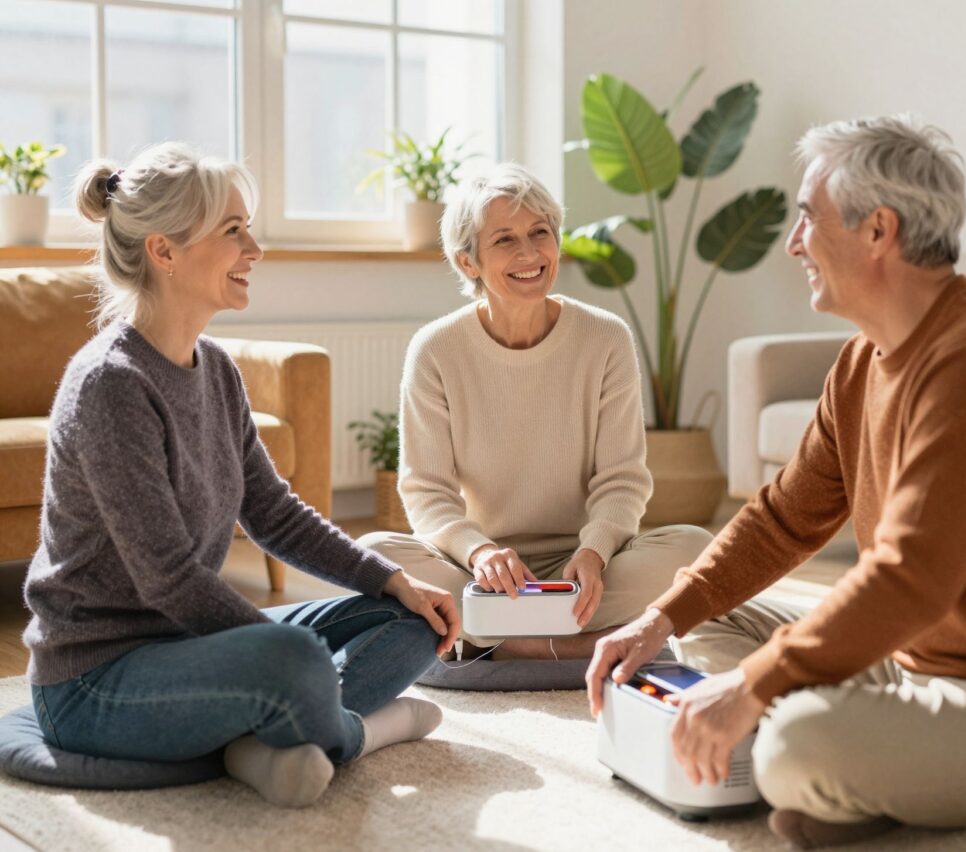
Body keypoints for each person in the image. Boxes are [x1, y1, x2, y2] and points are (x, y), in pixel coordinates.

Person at [586, 115, 966, 848]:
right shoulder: (862, 361)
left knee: (792, 749)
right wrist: (659, 618)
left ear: (878, 231)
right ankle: (859, 771)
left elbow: (913, 577)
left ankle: (824, 763)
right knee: (702, 617)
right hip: (909, 668)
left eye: (806, 219)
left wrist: (754, 689)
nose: (792, 244)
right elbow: (782, 518)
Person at [23, 143, 461, 808]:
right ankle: (362, 732)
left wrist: (392, 580)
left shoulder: (217, 371)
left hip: (191, 648)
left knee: (412, 620)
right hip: (96, 682)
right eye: (233, 232)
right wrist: (277, 645)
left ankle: (266, 733)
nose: (254, 248)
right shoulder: (111, 385)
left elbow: (274, 513)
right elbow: (167, 577)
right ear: (165, 251)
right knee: (293, 660)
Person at [359, 163, 711, 661]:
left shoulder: (606, 338)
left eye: (540, 233)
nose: (529, 254)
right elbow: (426, 492)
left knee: (695, 548)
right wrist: (480, 552)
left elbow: (622, 479)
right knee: (374, 553)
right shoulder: (436, 349)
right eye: (504, 240)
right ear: (468, 262)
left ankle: (496, 641)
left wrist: (594, 551)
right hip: (481, 572)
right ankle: (565, 644)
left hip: (589, 567)